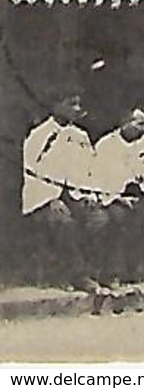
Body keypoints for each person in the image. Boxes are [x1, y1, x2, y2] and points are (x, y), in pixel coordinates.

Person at [21, 92, 106, 294]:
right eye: (71, 104)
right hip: (44, 195)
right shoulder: (40, 134)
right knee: (63, 222)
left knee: (99, 219)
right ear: (56, 105)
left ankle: (93, 272)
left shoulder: (81, 136)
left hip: (75, 193)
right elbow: (30, 171)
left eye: (79, 104)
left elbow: (90, 168)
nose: (77, 109)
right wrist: (50, 199)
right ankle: (75, 276)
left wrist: (91, 196)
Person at [94, 107, 144, 285]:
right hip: (113, 197)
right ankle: (112, 272)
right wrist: (117, 197)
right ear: (125, 123)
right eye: (140, 124)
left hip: (143, 194)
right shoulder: (106, 145)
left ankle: (134, 271)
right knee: (117, 218)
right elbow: (99, 178)